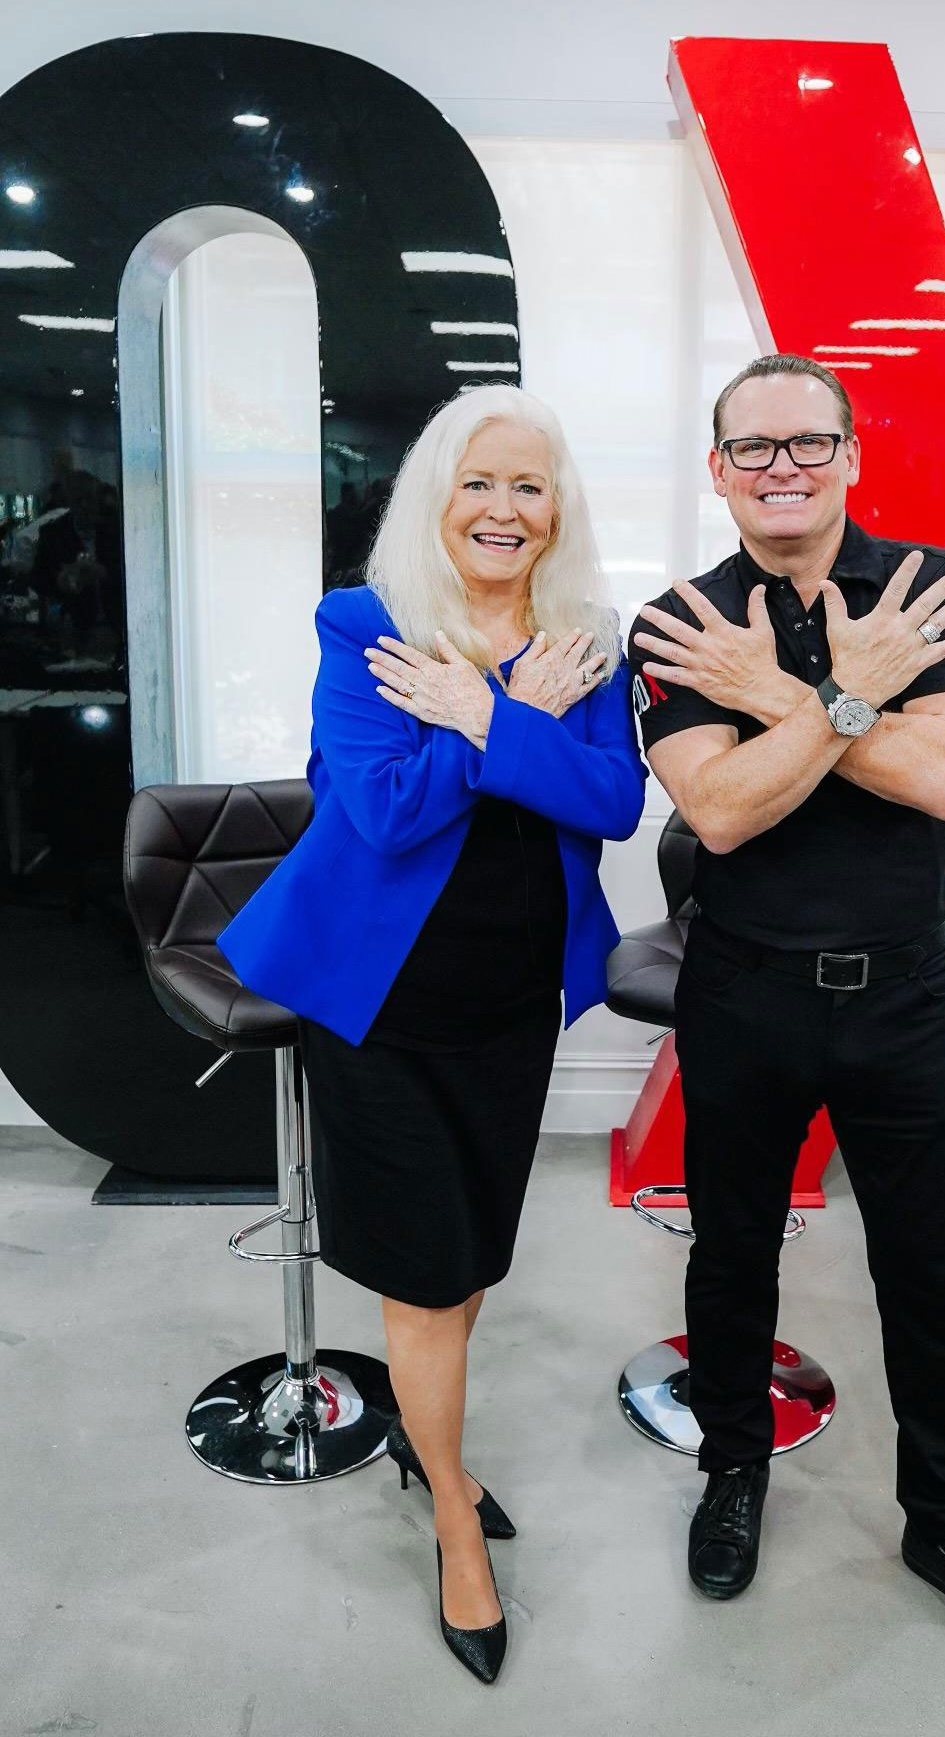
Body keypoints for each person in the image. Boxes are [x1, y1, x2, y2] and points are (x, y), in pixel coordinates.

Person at [628, 353, 945, 1670]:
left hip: (909, 998)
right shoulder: (680, 623)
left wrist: (782, 699)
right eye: (753, 448)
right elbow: (719, 811)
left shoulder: (937, 589)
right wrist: (855, 698)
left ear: (850, 454)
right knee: (730, 1257)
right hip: (745, 994)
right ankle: (734, 1473)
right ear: (719, 470)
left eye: (807, 442)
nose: (783, 468)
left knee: (931, 1281)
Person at [218, 385, 646, 1685]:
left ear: (557, 507)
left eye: (529, 485)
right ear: (435, 497)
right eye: (479, 482)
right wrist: (510, 709)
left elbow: (612, 801)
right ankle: (455, 1513)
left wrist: (480, 714)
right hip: (384, 1006)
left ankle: (424, 1435)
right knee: (424, 1273)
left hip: (510, 1004)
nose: (504, 509)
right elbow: (388, 811)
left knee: (469, 1267)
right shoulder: (366, 626)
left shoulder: (588, 639)